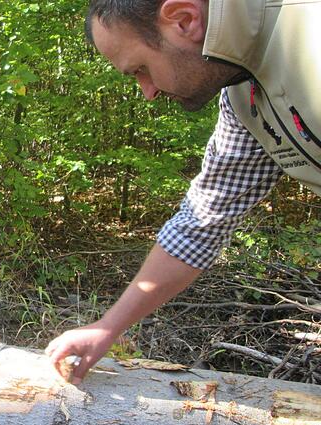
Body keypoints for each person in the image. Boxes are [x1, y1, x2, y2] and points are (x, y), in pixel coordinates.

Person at [46, 0, 321, 384]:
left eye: (141, 69)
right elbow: (200, 225)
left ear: (184, 19)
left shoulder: (310, 32)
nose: (148, 92)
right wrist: (107, 328)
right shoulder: (243, 93)